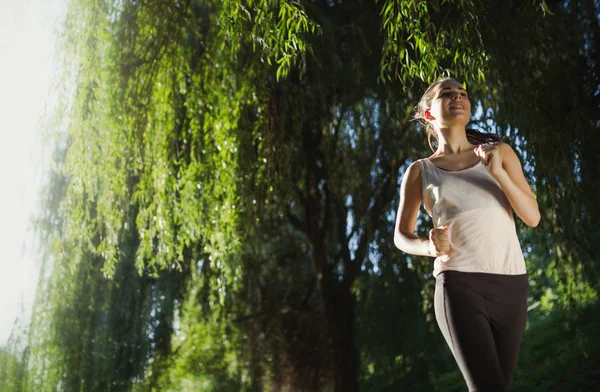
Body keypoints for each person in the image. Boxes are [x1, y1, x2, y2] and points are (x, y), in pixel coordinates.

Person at [393, 78, 540, 391]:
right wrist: (428, 246)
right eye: (447, 94)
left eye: (462, 93)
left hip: (512, 285)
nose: (458, 97)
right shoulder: (421, 170)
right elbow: (401, 236)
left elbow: (533, 216)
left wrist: (498, 172)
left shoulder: (499, 153)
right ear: (429, 113)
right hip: (460, 286)